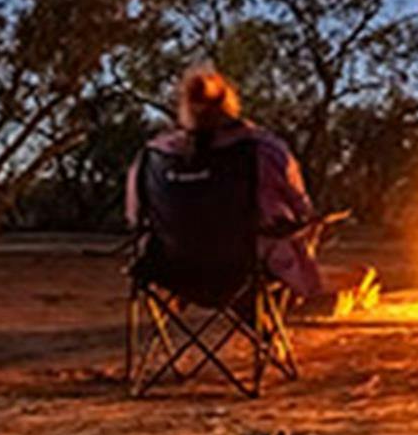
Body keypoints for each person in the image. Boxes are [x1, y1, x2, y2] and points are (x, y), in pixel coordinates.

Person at [125, 66, 325, 299]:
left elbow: (134, 215)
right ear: (230, 103)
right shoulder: (263, 150)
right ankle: (265, 320)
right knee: (291, 240)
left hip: (168, 269)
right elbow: (300, 206)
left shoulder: (153, 155)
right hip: (245, 268)